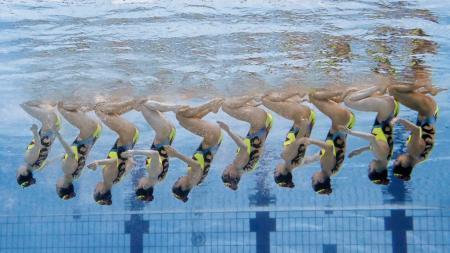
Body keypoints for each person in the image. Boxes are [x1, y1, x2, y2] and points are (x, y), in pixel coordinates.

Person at [149, 99, 223, 202]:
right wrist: (176, 154)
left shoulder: (195, 180)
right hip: (211, 135)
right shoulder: (193, 180)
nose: (178, 179)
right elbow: (196, 166)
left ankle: (211, 108)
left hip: (213, 137)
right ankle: (210, 105)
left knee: (185, 119)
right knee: (180, 116)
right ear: (183, 187)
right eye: (177, 182)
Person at [300, 89, 355, 195]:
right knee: (313, 96)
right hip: (340, 119)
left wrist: (305, 161)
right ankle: (339, 91)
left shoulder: (331, 171)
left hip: (346, 121)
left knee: (319, 98)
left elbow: (322, 154)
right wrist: (310, 140)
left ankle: (338, 97)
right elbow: (328, 148)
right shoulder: (327, 166)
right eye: (313, 180)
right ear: (320, 180)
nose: (312, 177)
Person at [87, 99, 140, 205]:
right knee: (99, 110)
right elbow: (113, 161)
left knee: (109, 112)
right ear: (101, 191)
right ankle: (135, 101)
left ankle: (134, 103)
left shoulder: (117, 180)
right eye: (95, 191)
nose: (94, 188)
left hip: (132, 137)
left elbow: (132, 164)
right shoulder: (107, 177)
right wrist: (97, 163)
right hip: (126, 133)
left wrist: (128, 155)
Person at [343, 85, 399, 185]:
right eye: (370, 169)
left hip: (388, 108)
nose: (369, 166)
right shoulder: (381, 156)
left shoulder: (384, 158)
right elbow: (372, 138)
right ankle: (377, 86)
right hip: (385, 108)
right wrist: (350, 132)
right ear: (376, 170)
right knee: (348, 101)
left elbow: (377, 145)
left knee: (353, 96)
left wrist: (360, 150)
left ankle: (380, 91)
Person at [122, 100, 177, 202]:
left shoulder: (158, 179)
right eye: (138, 184)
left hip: (167, 134)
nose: (138, 181)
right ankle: (174, 107)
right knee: (143, 104)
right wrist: (133, 152)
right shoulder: (152, 173)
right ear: (145, 186)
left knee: (149, 101)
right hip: (163, 133)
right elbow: (155, 154)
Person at [261, 91, 316, 188]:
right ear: (280, 172)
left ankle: (299, 97)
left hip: (309, 117)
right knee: (265, 100)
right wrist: (303, 127)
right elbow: (297, 141)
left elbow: (315, 157)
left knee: (282, 100)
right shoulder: (285, 156)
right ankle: (298, 91)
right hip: (301, 117)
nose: (275, 169)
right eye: (275, 172)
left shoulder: (299, 163)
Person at [219, 95, 273, 190]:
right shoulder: (237, 164)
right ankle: (254, 95)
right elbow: (244, 147)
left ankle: (252, 103)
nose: (226, 167)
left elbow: (247, 142)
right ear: (232, 174)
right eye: (225, 170)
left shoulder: (249, 168)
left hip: (265, 123)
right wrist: (228, 130)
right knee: (225, 106)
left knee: (234, 106)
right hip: (258, 120)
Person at [388, 82, 440, 181]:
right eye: (398, 161)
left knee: (399, 94)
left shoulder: (420, 158)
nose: (398, 158)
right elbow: (416, 130)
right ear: (404, 164)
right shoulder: (412, 151)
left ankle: (429, 90)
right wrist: (399, 120)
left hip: (429, 111)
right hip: (427, 108)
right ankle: (423, 82)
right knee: (392, 90)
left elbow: (422, 130)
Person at [53, 101, 102, 200]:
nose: (56, 184)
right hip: (88, 129)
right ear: (62, 185)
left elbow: (78, 156)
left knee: (75, 107)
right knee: (61, 107)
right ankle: (92, 101)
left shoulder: (76, 175)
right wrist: (58, 135)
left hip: (94, 133)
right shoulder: (66, 169)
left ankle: (90, 104)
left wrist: (52, 160)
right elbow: (71, 154)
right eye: (57, 187)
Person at [17, 101, 61, 187]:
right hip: (49, 121)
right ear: (24, 172)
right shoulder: (28, 159)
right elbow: (38, 145)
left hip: (55, 126)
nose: (17, 170)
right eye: (18, 173)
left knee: (46, 103)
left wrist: (61, 156)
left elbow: (48, 162)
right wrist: (34, 131)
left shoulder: (37, 167)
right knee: (23, 104)